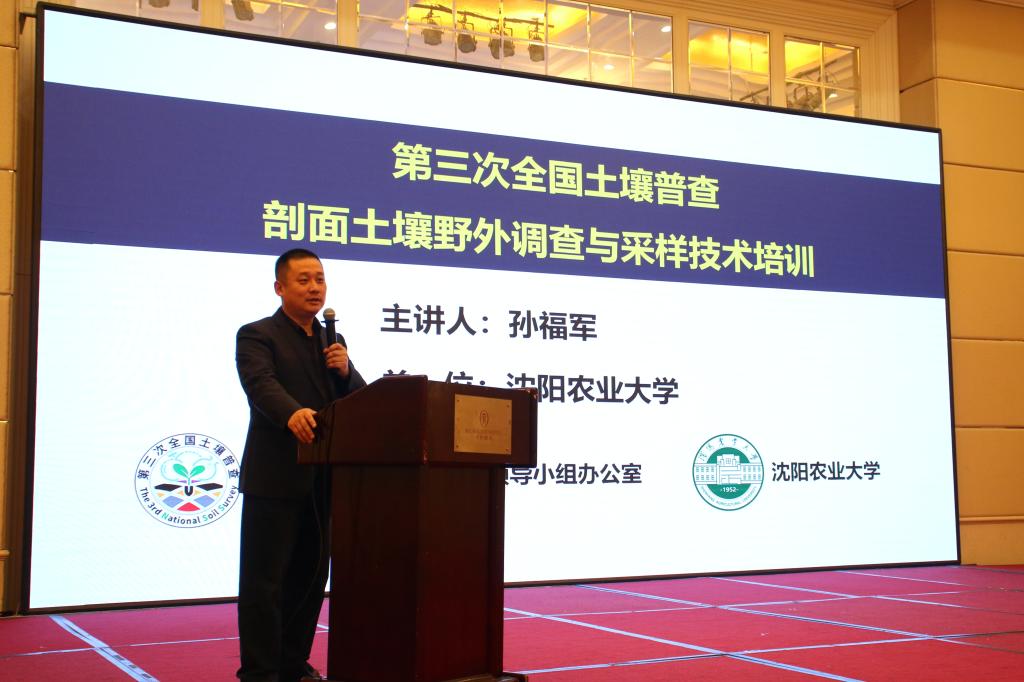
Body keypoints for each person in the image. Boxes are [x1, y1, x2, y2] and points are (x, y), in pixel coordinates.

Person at [235, 248, 366, 682]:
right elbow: (261, 384)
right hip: (275, 476)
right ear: (280, 287)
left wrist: (346, 372)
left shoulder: (332, 341)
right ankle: (260, 672)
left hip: (323, 480)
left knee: (310, 581)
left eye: (320, 279)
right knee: (265, 583)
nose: (314, 288)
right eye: (304, 280)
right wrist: (291, 413)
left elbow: (359, 399)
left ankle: (293, 664)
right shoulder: (257, 335)